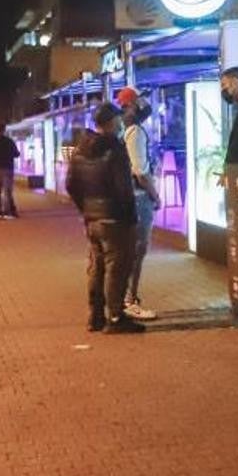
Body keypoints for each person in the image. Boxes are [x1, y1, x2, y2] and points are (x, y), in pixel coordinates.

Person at [65, 103, 146, 335]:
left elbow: (70, 185)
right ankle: (116, 316)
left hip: (92, 220)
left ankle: (96, 315)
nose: (122, 124)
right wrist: (130, 216)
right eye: (119, 120)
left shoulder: (80, 150)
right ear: (111, 122)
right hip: (115, 220)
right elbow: (124, 189)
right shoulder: (115, 150)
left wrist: (86, 208)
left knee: (96, 267)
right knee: (117, 268)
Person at [116, 86, 161, 321]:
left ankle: (125, 298)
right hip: (139, 198)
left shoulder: (124, 131)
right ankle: (129, 300)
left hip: (128, 198)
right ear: (131, 106)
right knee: (137, 251)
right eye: (139, 101)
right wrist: (155, 195)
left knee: (130, 251)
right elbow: (140, 172)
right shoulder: (135, 132)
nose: (144, 105)